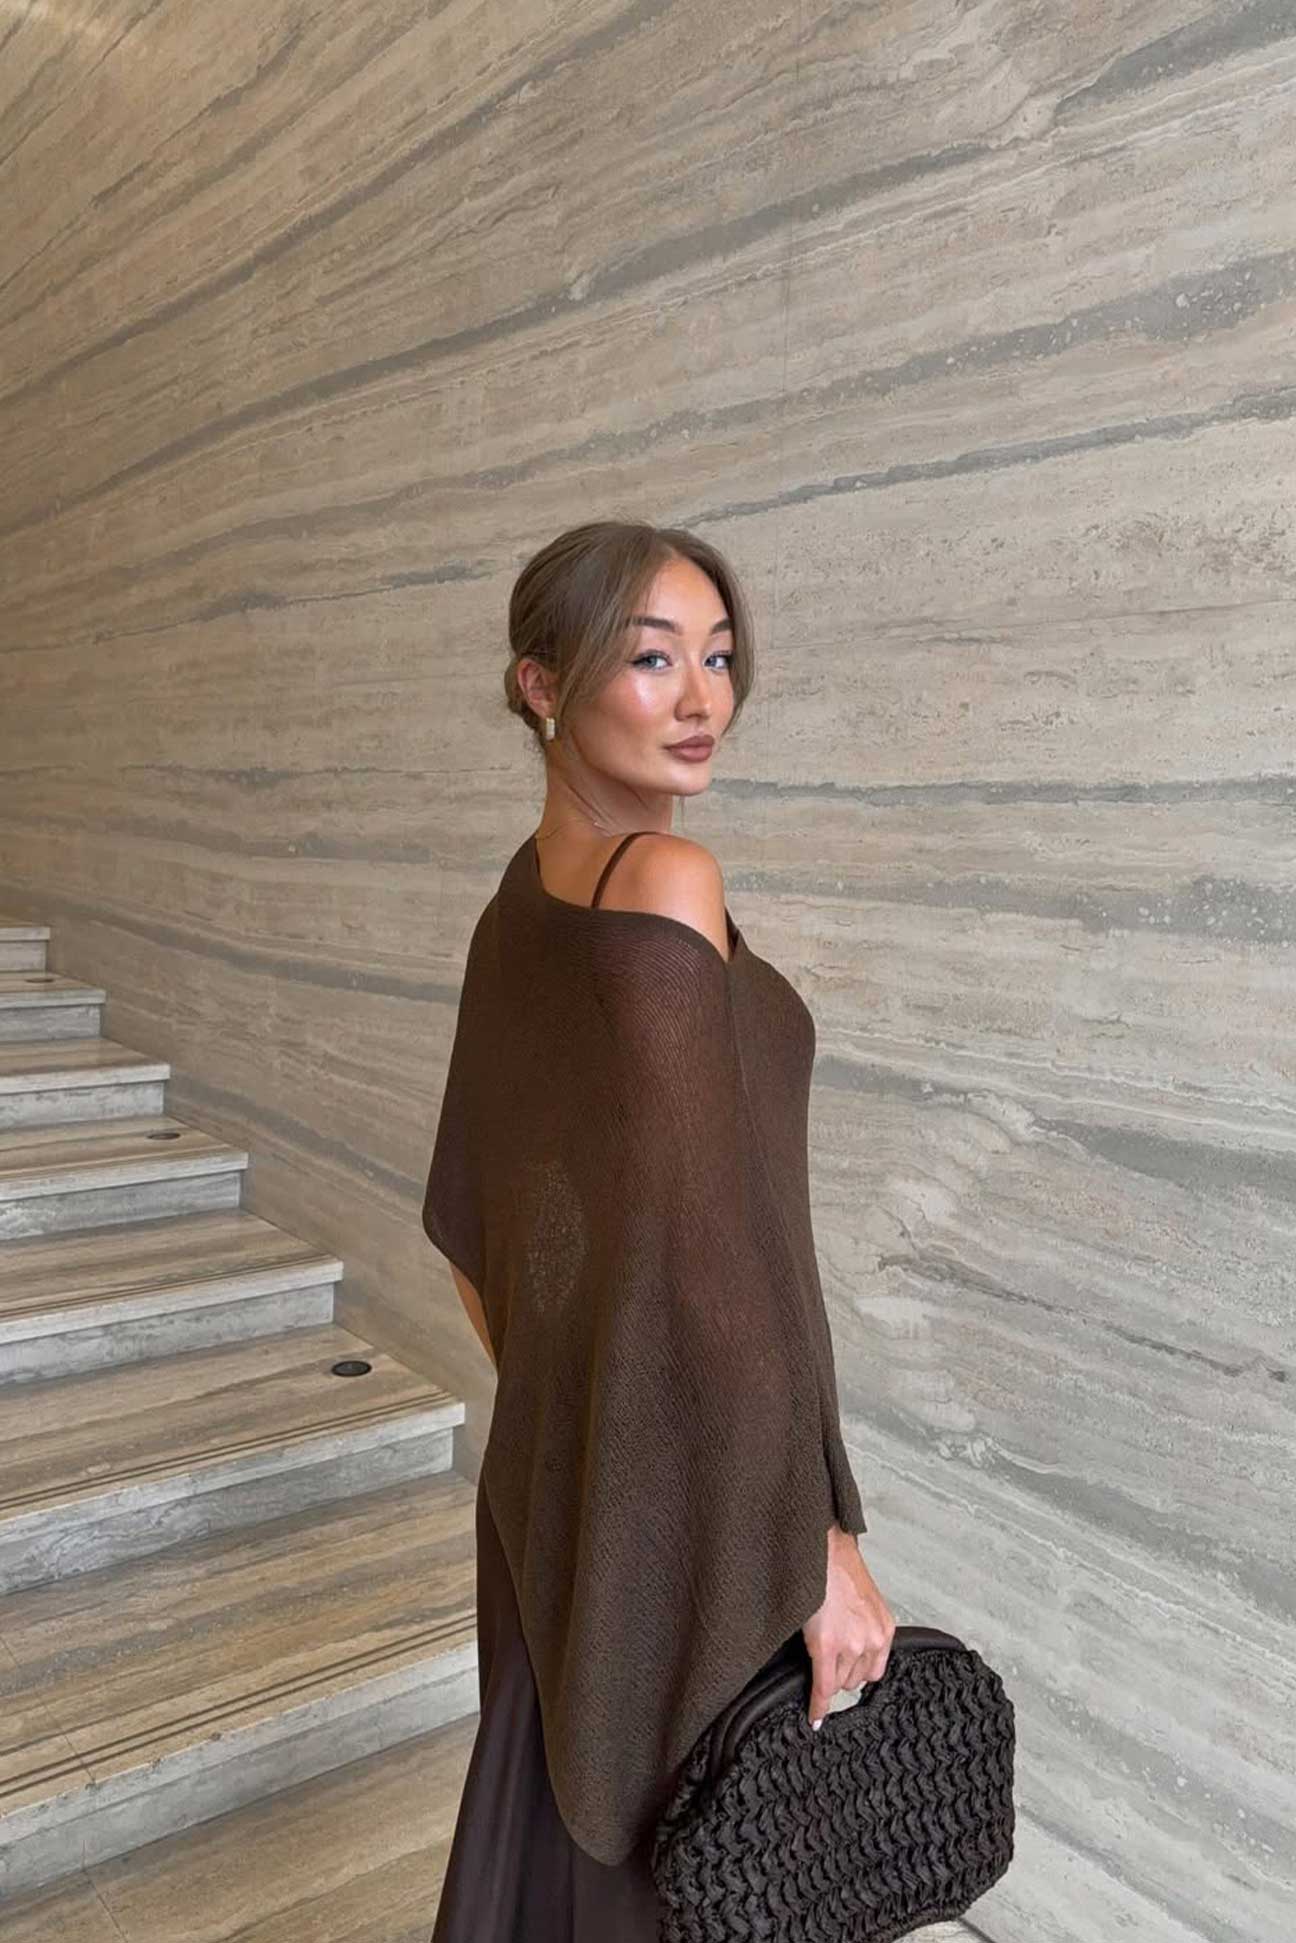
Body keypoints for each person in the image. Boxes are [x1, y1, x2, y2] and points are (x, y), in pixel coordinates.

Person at [423, 519, 895, 1940]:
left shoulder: (518, 904)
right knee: (694, 1883)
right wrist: (816, 1542)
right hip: (708, 1507)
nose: (703, 701)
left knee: (568, 1861)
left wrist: (584, 1415)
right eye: (651, 659)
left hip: (560, 1489)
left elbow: (474, 1229)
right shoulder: (667, 889)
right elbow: (713, 1264)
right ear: (539, 686)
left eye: (721, 658)